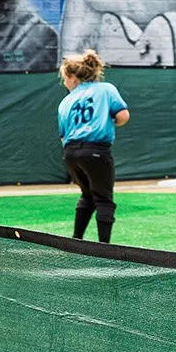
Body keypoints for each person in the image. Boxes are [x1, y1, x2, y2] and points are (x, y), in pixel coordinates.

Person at [58, 50, 131, 243]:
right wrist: (108, 122)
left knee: (87, 195)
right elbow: (123, 116)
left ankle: (76, 240)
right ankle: (103, 248)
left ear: (73, 78)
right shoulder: (106, 89)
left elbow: (62, 136)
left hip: (71, 154)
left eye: (64, 78)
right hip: (95, 150)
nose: (65, 82)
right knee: (104, 199)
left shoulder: (66, 101)